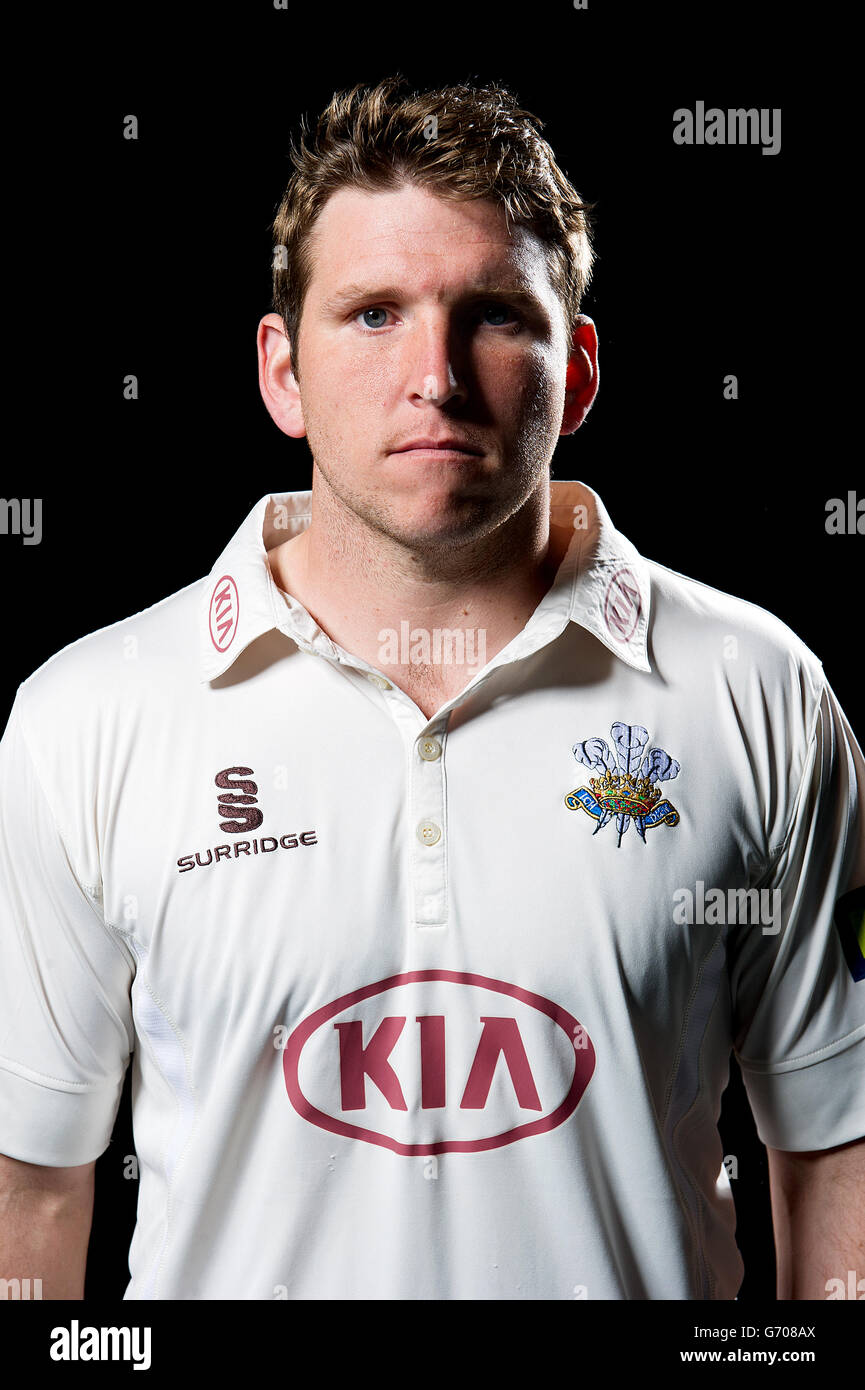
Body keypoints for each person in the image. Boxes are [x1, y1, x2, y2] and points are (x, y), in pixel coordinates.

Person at [1, 76, 863, 1302]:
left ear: (581, 371)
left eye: (497, 316)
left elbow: (837, 1152)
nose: (437, 377)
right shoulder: (88, 718)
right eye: (372, 315)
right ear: (280, 371)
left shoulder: (756, 693)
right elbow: (30, 1188)